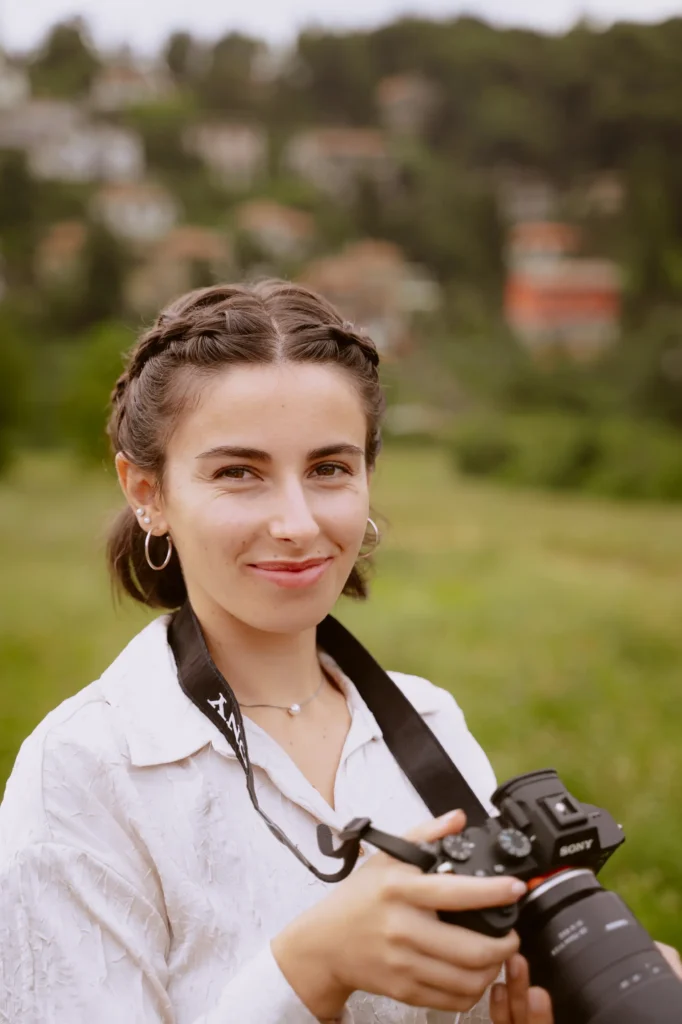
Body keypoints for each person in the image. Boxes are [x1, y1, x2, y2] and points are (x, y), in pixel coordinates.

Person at [0, 281, 678, 1024]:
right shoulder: (83, 771)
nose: (296, 522)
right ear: (148, 491)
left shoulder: (428, 721)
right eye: (238, 472)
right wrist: (309, 969)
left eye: (329, 469)